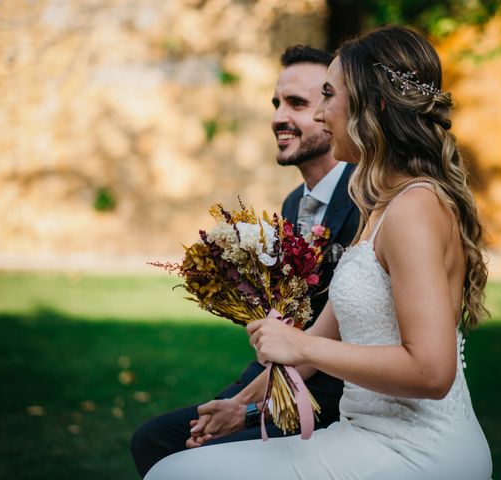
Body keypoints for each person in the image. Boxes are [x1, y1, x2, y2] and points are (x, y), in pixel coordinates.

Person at [144, 25, 493, 480]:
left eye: (329, 95)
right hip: (361, 434)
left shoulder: (415, 209)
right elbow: (319, 343)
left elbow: (431, 371)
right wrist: (241, 406)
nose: (323, 113)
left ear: (376, 105)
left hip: (414, 453)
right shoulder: (380, 206)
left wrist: (297, 341)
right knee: (174, 467)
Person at [130, 45, 360, 478]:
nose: (277, 117)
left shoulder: (363, 197)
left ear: (334, 109)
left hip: (329, 394)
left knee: (186, 456)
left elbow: (336, 335)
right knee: (155, 438)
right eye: (276, 103)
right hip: (273, 371)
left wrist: (248, 409)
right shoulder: (295, 203)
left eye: (297, 103)